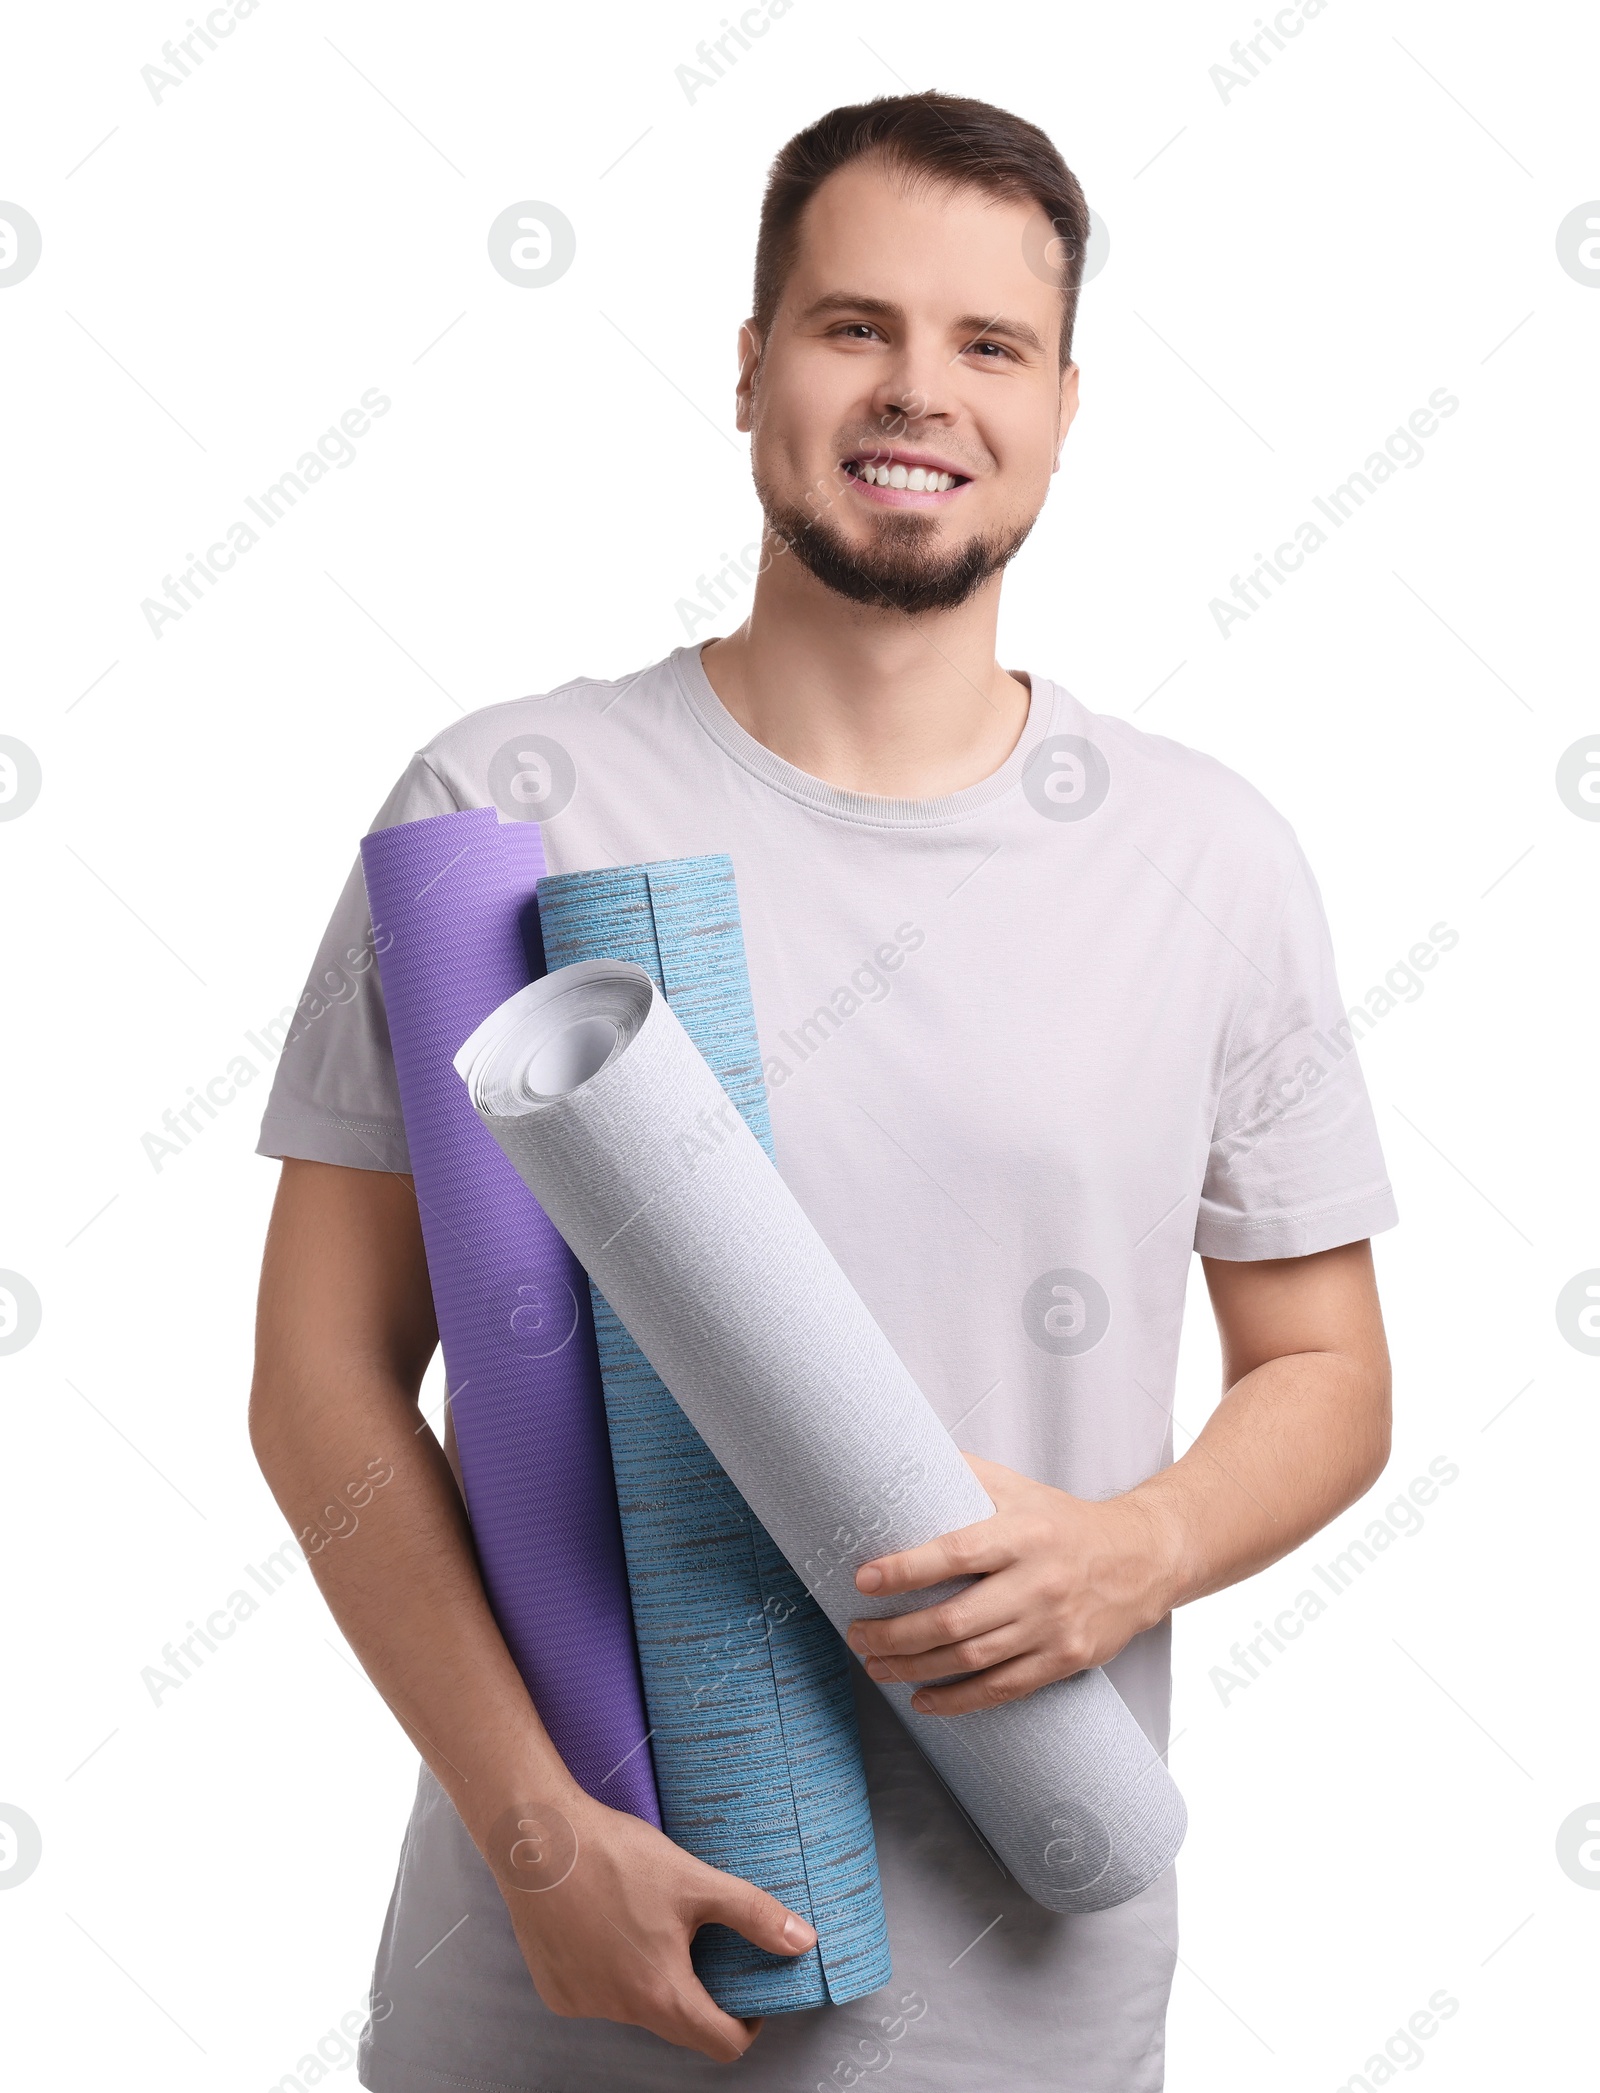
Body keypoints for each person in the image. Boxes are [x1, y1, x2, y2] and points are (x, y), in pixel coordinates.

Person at [249, 91, 1396, 2093]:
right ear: (750, 364)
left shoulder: (1204, 857)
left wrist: (1140, 1543)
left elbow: (1324, 1370)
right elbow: (320, 1379)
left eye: (986, 345)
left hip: (1021, 1983)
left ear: (1056, 403)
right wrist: (536, 1835)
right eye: (851, 324)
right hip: (559, 1962)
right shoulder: (506, 816)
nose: (914, 391)